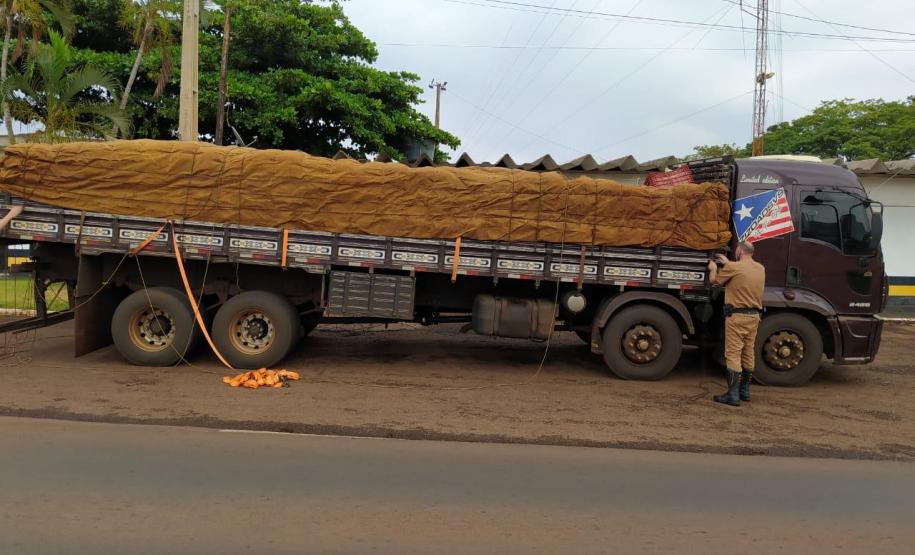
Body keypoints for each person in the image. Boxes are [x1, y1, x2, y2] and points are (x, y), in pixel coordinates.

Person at [707, 241, 765, 407]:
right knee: (748, 352)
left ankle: (732, 395)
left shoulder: (734, 267)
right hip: (754, 316)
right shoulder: (761, 268)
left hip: (737, 317)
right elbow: (742, 271)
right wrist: (729, 263)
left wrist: (714, 269)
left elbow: (716, 281)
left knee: (732, 354)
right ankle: (744, 391)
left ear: (739, 250)